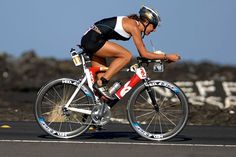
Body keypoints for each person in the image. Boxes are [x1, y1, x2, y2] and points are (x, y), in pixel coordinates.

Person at [80, 6, 181, 99]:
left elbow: (144, 53)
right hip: (93, 40)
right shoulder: (133, 26)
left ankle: (91, 115)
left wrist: (162, 57)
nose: (154, 30)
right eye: (153, 26)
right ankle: (101, 83)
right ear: (146, 22)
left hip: (92, 39)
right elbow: (144, 54)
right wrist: (166, 56)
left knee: (101, 96)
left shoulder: (133, 24)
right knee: (126, 56)